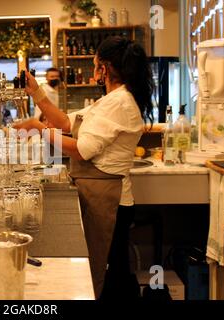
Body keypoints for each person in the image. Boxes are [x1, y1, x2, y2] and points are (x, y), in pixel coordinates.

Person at [13, 36, 154, 300]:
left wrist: (38, 128)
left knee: (110, 273)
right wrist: (35, 92)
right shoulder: (111, 100)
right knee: (109, 268)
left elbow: (82, 149)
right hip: (102, 195)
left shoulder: (119, 103)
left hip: (110, 202)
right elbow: (66, 123)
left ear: (105, 67)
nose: (94, 70)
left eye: (96, 64)